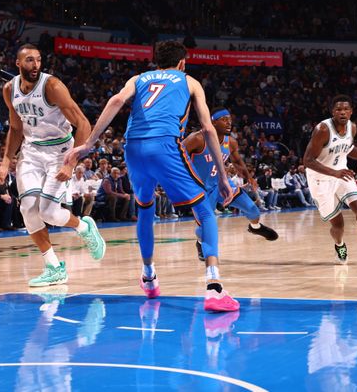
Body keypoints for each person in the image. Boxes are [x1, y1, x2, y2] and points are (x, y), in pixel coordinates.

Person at [64, 41, 238, 312]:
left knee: (145, 208)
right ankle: (214, 287)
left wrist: (89, 144)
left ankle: (149, 276)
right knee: (204, 210)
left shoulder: (138, 78)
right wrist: (224, 177)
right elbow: (207, 128)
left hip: (133, 148)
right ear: (182, 62)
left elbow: (116, 101)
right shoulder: (190, 81)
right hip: (165, 145)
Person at [0, 44, 105, 287]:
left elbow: (83, 122)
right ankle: (54, 267)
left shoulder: (52, 86)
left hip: (60, 151)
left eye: (38, 60)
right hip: (32, 152)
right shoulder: (9, 89)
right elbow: (15, 128)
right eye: (30, 60)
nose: (35, 65)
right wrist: (5, 163)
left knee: (49, 213)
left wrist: (72, 162)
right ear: (18, 63)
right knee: (28, 209)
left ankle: (83, 226)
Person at [184, 107, 278, 261]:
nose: (229, 122)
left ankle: (255, 228)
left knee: (253, 210)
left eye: (230, 119)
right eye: (224, 119)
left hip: (222, 185)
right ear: (213, 122)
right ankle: (200, 243)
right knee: (205, 228)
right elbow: (176, 155)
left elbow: (237, 161)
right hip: (200, 191)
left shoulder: (230, 142)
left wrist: (249, 177)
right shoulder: (198, 139)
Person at [303, 94, 357, 264]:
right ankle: (339, 244)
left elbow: (348, 149)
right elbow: (307, 161)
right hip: (320, 179)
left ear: (351, 112)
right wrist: (334, 173)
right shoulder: (323, 130)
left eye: (345, 109)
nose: (342, 112)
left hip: (342, 173)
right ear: (332, 112)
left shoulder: (352, 128)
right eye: (338, 109)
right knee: (338, 225)